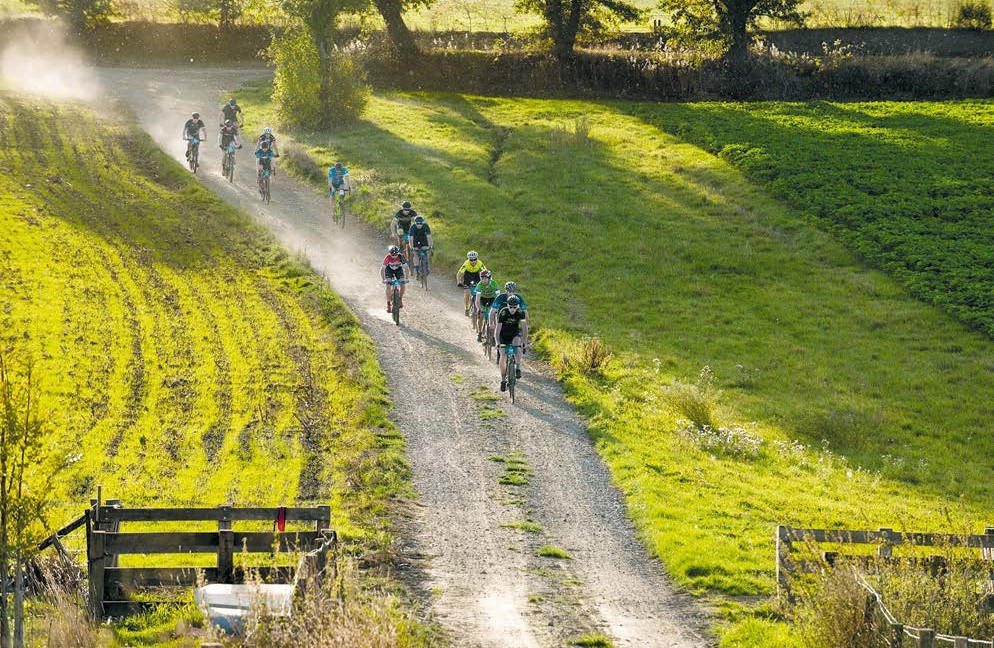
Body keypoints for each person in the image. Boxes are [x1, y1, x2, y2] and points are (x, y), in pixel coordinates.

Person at [494, 295, 528, 391]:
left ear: (518, 306)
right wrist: (497, 341)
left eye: (515, 307)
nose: (512, 309)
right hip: (503, 335)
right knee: (503, 355)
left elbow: (525, 329)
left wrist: (524, 342)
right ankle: (503, 379)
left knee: (517, 347)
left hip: (514, 333)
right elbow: (497, 329)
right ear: (507, 305)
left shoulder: (520, 312)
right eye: (510, 307)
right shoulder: (503, 312)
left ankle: (517, 367)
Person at [490, 281, 527, 369]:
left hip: (513, 319)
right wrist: (491, 323)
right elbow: (492, 312)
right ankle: (498, 351)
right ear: (505, 291)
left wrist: (525, 325)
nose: (511, 294)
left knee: (515, 339)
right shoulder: (500, 297)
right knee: (497, 331)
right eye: (509, 291)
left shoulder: (518, 298)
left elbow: (525, 312)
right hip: (501, 317)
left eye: (512, 292)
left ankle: (514, 361)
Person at [381, 245, 410, 313]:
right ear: (389, 253)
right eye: (392, 254)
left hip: (398, 270)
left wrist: (407, 278)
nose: (394, 256)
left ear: (398, 253)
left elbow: (406, 268)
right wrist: (383, 279)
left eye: (396, 254)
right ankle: (388, 304)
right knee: (388, 284)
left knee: (403, 283)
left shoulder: (401, 257)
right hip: (389, 270)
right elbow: (382, 269)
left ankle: (400, 299)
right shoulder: (387, 257)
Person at [456, 251, 486, 317]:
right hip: (468, 276)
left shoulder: (479, 262)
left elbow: (486, 272)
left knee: (479, 292)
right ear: (469, 259)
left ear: (477, 259)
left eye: (475, 259)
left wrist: (489, 281)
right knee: (467, 292)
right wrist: (459, 281)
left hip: (476, 276)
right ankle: (467, 308)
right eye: (471, 260)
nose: (473, 261)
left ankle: (479, 308)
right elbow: (459, 273)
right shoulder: (466, 263)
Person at [474, 269, 500, 342]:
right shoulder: (479, 285)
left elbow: (498, 297)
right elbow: (477, 300)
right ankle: (479, 333)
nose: (484, 280)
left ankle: (493, 337)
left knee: (493, 319)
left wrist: (497, 308)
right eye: (482, 278)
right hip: (482, 300)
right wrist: (479, 308)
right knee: (481, 316)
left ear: (489, 278)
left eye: (485, 278)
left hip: (492, 300)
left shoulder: (494, 284)